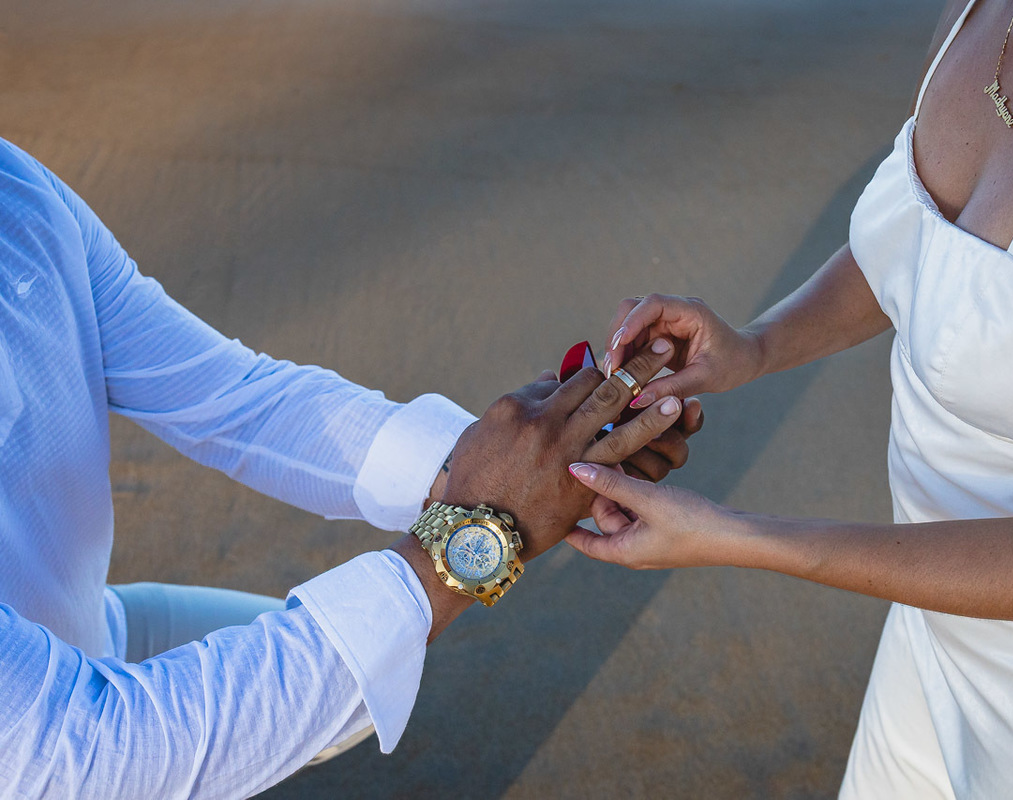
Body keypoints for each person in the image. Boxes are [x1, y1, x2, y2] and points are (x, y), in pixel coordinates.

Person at [570, 0, 1013, 796]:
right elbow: (915, 242)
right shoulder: (981, 16)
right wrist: (756, 346)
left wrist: (737, 537)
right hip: (927, 643)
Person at [0, 132, 703, 799]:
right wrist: (473, 536)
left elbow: (234, 399)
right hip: (59, 744)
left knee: (365, 685)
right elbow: (86, 748)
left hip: (92, 627)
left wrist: (524, 456)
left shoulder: (19, 191)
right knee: (348, 665)